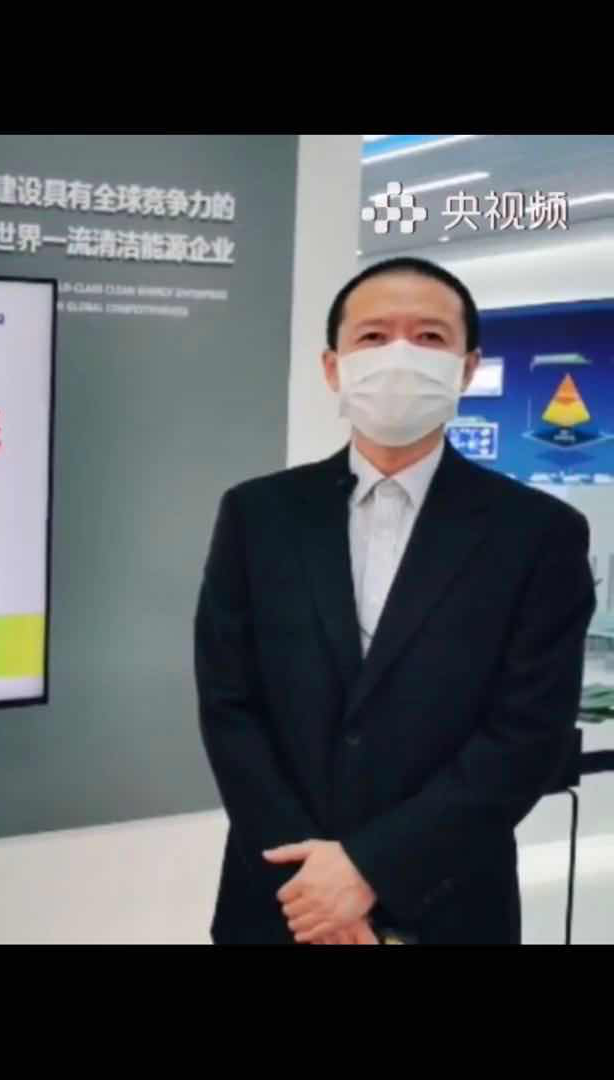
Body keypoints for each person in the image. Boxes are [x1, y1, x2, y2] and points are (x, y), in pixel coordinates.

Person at [194, 256, 595, 945]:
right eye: (373, 337)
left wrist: (370, 870)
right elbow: (230, 706)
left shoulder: (538, 533)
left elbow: (526, 733)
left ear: (467, 368)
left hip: (449, 900)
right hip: (283, 898)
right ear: (333, 367)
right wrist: (315, 883)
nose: (400, 356)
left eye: (430, 337)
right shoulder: (259, 515)